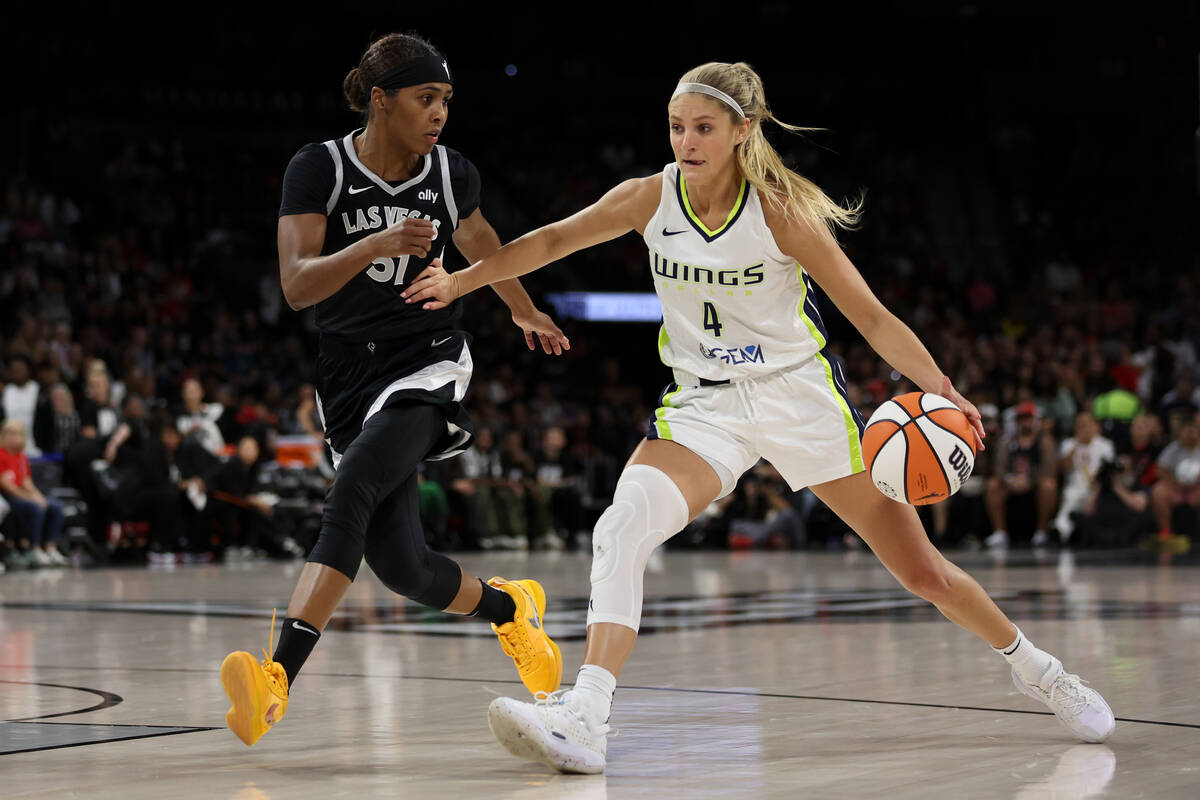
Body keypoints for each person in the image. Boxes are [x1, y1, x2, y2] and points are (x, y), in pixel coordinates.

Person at [404, 61, 1116, 773]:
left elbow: (869, 315)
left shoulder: (780, 213)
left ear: (742, 132)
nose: (687, 141)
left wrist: (943, 387)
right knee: (621, 526)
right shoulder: (649, 197)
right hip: (705, 402)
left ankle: (1043, 673)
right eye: (678, 127)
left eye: (704, 128)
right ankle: (587, 714)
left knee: (924, 573)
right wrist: (463, 279)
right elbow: (552, 240)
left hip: (798, 398)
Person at [218, 32, 570, 748]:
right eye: (425, 98)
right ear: (380, 100)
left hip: (426, 360)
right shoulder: (319, 168)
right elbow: (296, 286)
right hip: (348, 374)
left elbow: (482, 244)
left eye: (445, 99)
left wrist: (520, 306)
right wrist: (372, 246)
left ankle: (275, 681)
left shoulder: (451, 173)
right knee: (404, 568)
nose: (439, 112)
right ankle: (509, 609)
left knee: (349, 491)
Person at [985, 401, 1058, 549]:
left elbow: (1050, 468)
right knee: (993, 485)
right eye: (1021, 419)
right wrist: (1009, 480)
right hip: (1011, 483)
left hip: (1034, 484)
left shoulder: (1044, 442)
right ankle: (1000, 532)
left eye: (1028, 418)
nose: (1025, 422)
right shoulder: (1008, 442)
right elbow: (999, 467)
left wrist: (1030, 481)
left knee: (1049, 486)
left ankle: (1041, 531)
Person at [0, 419, 67, 566]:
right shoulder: (2, 455)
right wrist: (32, 499)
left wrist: (38, 497)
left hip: (22, 494)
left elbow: (27, 482)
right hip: (8, 497)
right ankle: (34, 548)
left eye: (17, 434)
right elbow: (8, 486)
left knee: (54, 505)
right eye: (10, 433)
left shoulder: (22, 457)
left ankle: (50, 547)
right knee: (35, 507)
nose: (14, 437)